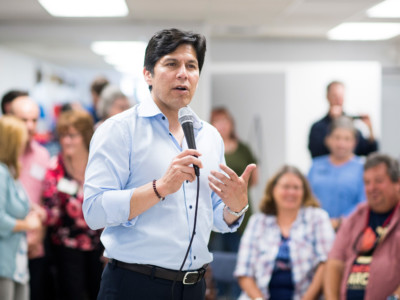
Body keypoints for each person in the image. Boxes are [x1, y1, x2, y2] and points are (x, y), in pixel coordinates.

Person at [83, 28, 256, 300]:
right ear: (148, 74)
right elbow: (93, 212)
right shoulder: (118, 130)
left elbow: (217, 217)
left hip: (194, 286)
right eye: (171, 64)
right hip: (134, 284)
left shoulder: (209, 136)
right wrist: (160, 188)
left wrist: (235, 206)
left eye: (191, 66)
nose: (183, 74)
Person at [235, 165, 335, 300]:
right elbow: (244, 272)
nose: (291, 192)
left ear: (304, 192)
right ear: (273, 190)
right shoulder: (257, 222)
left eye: (296, 188)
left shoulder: (318, 218)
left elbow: (326, 263)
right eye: (286, 187)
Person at [42, 110, 103, 300]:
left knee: (99, 292)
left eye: (72, 135)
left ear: (84, 136)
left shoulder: (98, 164)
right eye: (62, 135)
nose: (66, 141)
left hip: (99, 245)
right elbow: (51, 210)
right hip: (67, 246)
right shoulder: (56, 166)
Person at [324, 153, 400, 300]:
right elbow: (334, 263)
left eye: (379, 181)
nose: (372, 188)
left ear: (397, 183)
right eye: (367, 182)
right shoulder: (355, 217)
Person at [209, 107, 259, 299]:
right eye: (217, 121)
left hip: (241, 211)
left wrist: (236, 193)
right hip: (216, 210)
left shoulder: (243, 148)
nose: (222, 125)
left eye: (225, 121)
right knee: (218, 260)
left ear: (231, 124)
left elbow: (253, 179)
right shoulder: (209, 148)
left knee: (242, 260)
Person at [10, 96, 51, 300]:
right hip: (6, 245)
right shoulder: (3, 156)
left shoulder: (43, 156)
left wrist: (39, 235)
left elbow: (45, 201)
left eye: (34, 120)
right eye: (24, 119)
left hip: (34, 247)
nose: (30, 126)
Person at [0, 115, 43, 300]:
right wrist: (28, 225)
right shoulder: (1, 172)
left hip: (15, 260)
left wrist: (34, 209)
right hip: (4, 262)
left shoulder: (10, 171)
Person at [308, 116, 365, 230]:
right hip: (315, 228)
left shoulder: (362, 168)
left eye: (347, 139)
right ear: (327, 139)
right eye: (337, 138)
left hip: (350, 230)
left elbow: (364, 203)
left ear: (354, 142)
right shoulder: (316, 166)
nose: (341, 144)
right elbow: (306, 196)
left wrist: (338, 222)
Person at [308, 81, 378, 158]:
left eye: (341, 96)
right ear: (327, 96)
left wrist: (370, 129)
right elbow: (316, 153)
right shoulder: (317, 127)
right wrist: (334, 121)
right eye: (335, 96)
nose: (338, 100)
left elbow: (369, 151)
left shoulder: (352, 123)